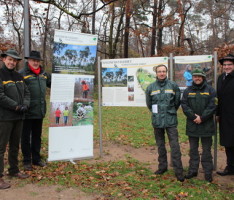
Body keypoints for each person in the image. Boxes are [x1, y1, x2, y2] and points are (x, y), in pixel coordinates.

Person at [145, 64, 184, 182]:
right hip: (157, 121)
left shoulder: (173, 85)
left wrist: (170, 112)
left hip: (171, 120)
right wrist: (157, 114)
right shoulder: (151, 87)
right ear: (156, 73)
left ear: (166, 72)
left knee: (175, 146)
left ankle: (179, 171)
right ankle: (162, 167)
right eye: (159, 71)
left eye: (163, 71)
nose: (161, 73)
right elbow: (149, 104)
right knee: (160, 145)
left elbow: (177, 102)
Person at [0, 49, 30, 189]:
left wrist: (25, 105)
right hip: (5, 118)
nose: (12, 62)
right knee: (1, 148)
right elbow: (1, 96)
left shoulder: (19, 76)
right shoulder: (1, 75)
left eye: (14, 60)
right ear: (4, 59)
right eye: (9, 59)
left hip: (19, 117)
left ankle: (13, 170)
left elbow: (26, 92)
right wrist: (16, 106)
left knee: (14, 146)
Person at [181, 68, 216, 182]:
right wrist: (194, 117)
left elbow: (213, 106)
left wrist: (202, 117)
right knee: (193, 150)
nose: (197, 78)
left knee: (206, 150)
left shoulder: (211, 90)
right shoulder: (187, 91)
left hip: (207, 125)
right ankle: (193, 171)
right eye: (195, 76)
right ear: (193, 78)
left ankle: (207, 172)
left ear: (203, 77)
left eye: (199, 76)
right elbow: (184, 106)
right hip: (193, 124)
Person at [19, 51, 51, 171]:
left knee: (37, 136)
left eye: (37, 60)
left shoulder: (44, 74)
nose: (36, 62)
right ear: (28, 61)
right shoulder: (22, 74)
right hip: (27, 112)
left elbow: (52, 83)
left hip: (39, 111)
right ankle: (27, 161)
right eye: (33, 60)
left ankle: (36, 159)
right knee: (25, 137)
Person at [216, 54, 234, 176]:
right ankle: (230, 167)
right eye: (225, 65)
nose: (227, 67)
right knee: (228, 143)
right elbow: (218, 98)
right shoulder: (220, 78)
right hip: (225, 116)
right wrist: (217, 114)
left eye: (230, 64)